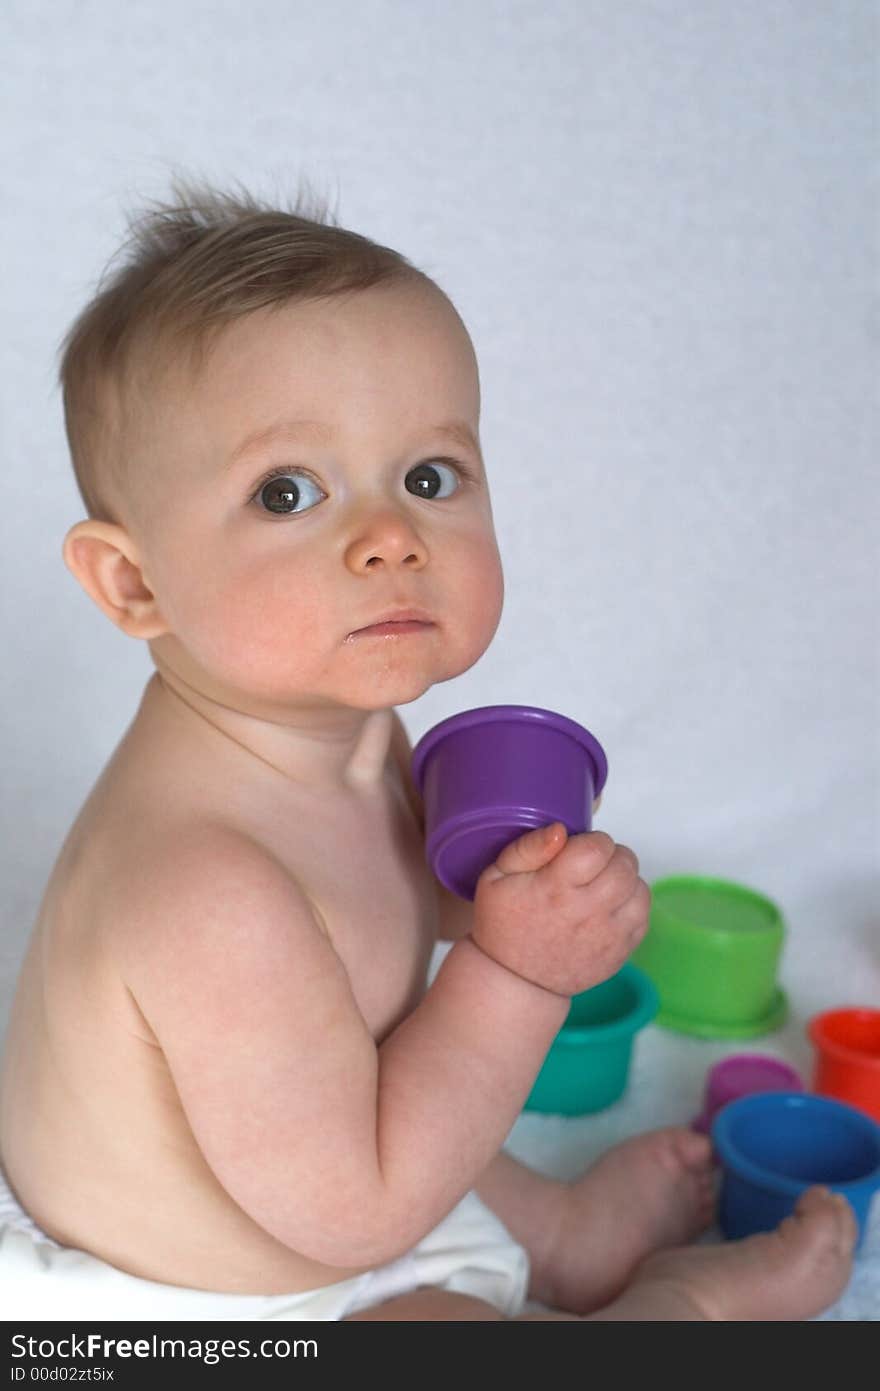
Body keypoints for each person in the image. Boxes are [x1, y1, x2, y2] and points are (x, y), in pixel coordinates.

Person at [0, 177, 856, 1321]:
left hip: (311, 1161)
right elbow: (359, 1209)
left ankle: (558, 1227)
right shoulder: (207, 890)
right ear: (134, 580)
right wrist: (514, 973)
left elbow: (387, 922)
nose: (391, 537)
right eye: (287, 490)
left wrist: (502, 896)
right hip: (188, 1298)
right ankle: (680, 1312)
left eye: (428, 475)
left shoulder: (334, 732)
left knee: (388, 1063)